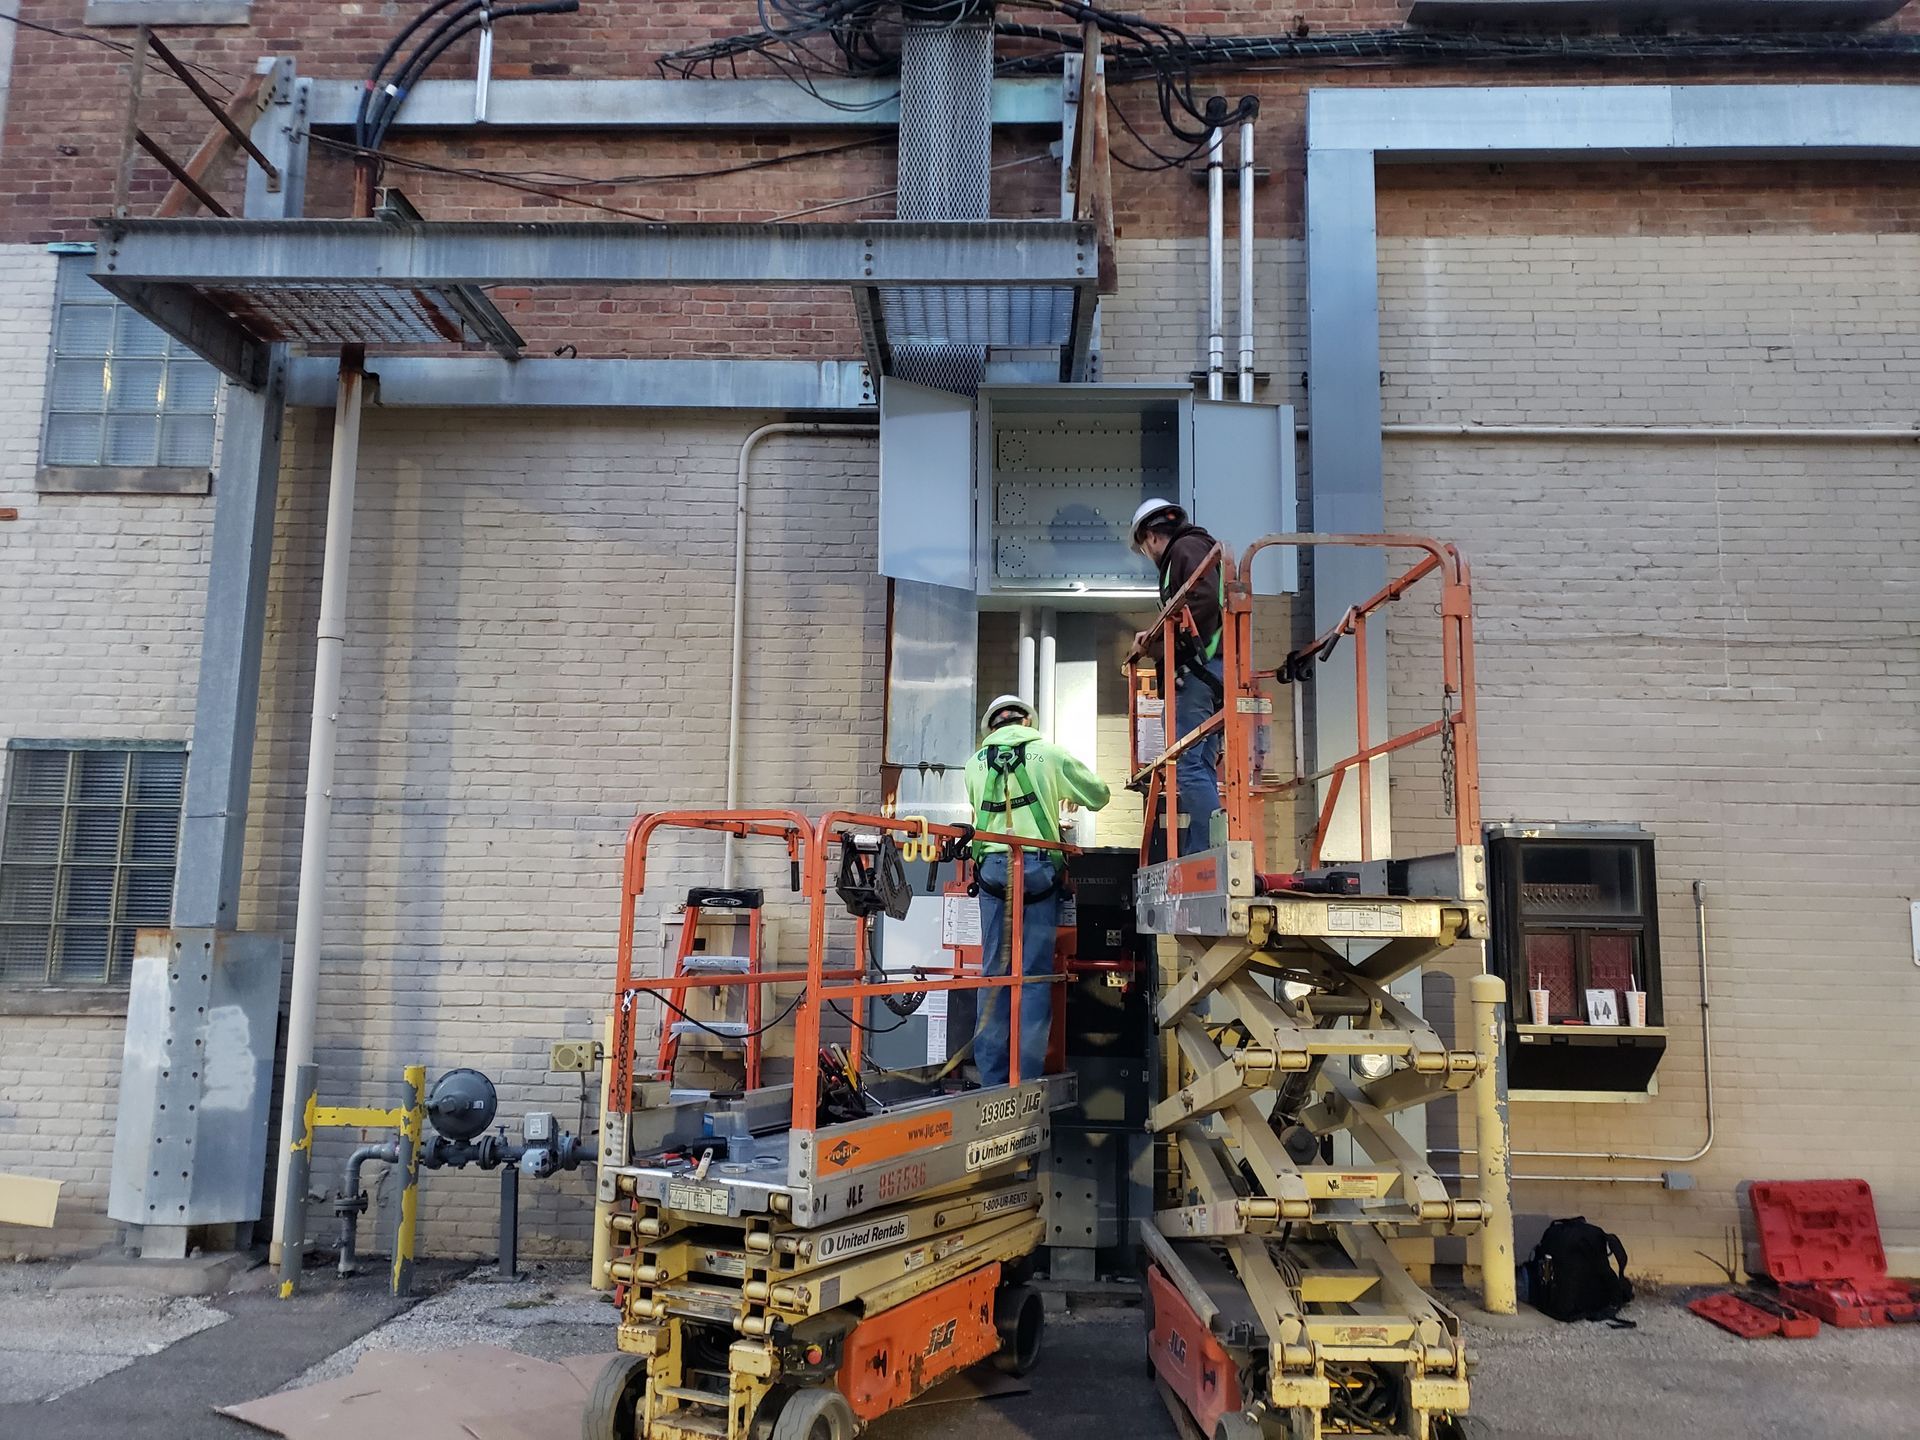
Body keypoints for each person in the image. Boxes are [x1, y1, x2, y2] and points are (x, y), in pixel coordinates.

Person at [965, 693, 1110, 1087]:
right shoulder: (1048, 753)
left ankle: (992, 1082)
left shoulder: (974, 763)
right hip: (1038, 871)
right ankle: (1026, 1080)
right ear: (1026, 722)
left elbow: (978, 810)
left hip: (994, 872)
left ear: (992, 727)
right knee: (1033, 976)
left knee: (993, 974)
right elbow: (1099, 794)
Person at [1131, 497, 1224, 855]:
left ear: (1151, 537)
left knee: (1189, 767)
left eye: (1144, 547)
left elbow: (1200, 604)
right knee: (1200, 763)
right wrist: (1155, 634)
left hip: (1199, 672)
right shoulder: (1196, 549)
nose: (1147, 554)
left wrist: (1159, 640)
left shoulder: (1185, 550)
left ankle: (1209, 850)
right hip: (1211, 671)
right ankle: (1206, 845)